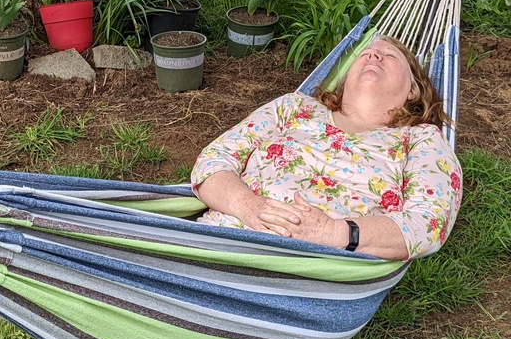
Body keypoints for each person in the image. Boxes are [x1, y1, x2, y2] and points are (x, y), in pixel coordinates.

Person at [191, 35, 462, 261]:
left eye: (389, 56)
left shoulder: (421, 140)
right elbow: (213, 161)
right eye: (366, 53)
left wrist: (333, 233)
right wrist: (248, 206)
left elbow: (428, 223)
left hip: (317, 270)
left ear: (413, 90)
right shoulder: (294, 107)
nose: (374, 56)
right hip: (219, 240)